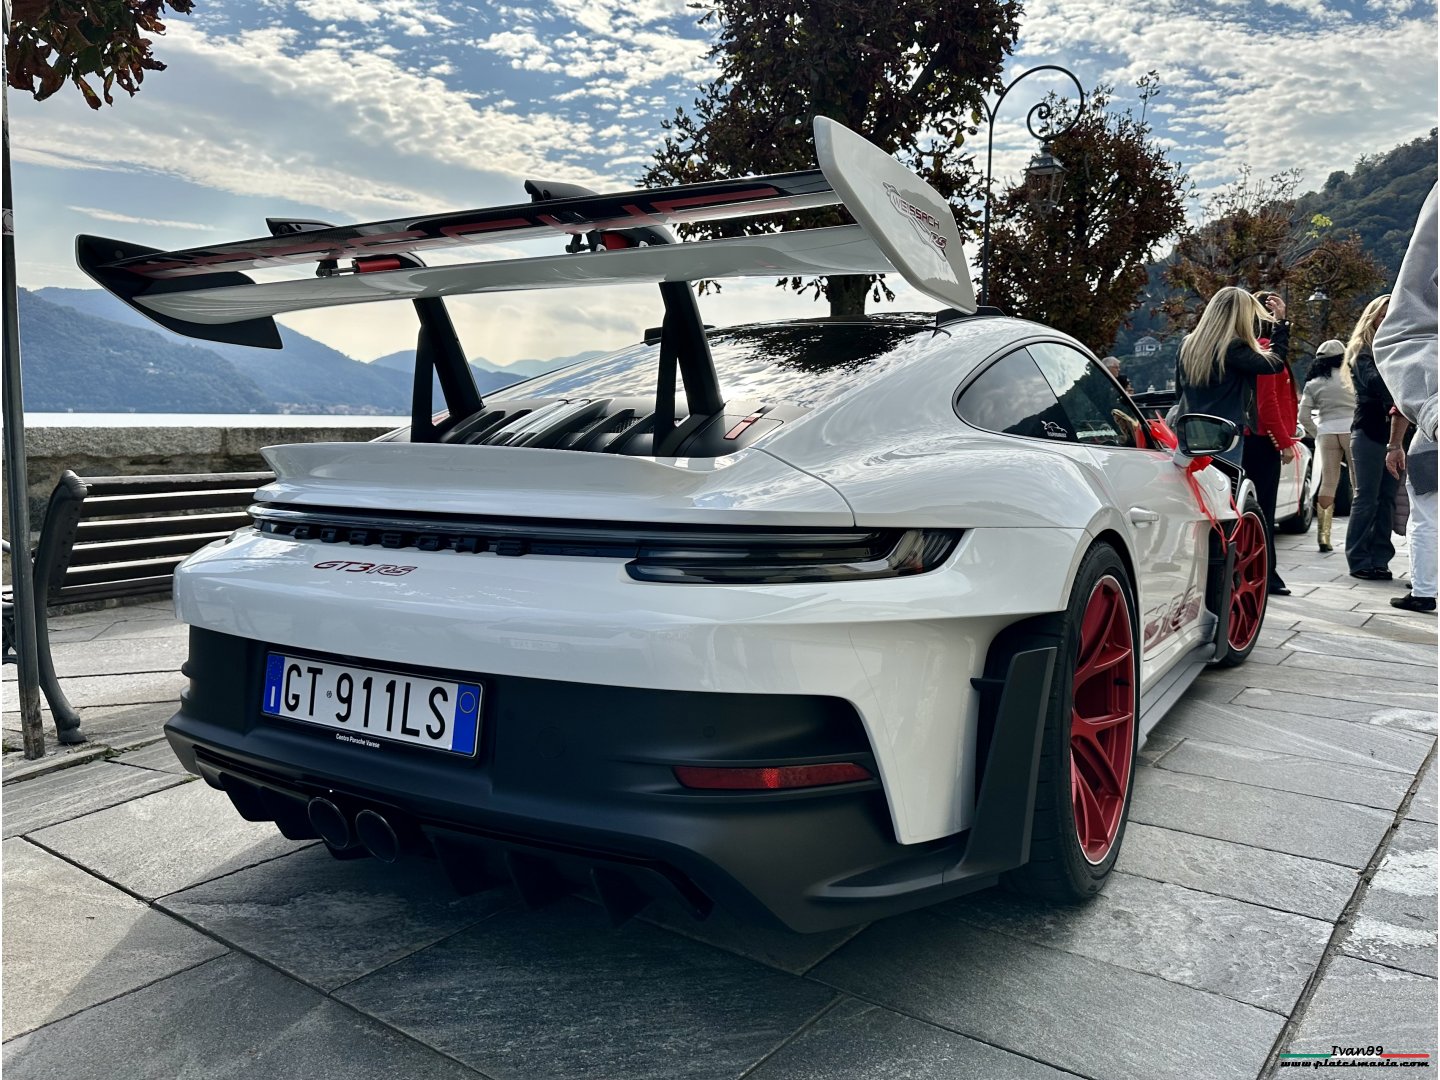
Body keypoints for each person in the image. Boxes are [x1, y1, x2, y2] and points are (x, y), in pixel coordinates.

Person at [1374, 182, 1437, 613]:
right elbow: (1410, 329)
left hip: (1425, 438)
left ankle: (1424, 589)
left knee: (1427, 519)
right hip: (1429, 434)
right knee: (1424, 517)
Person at [1175, 286, 1286, 470]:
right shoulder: (1233, 347)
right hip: (1223, 435)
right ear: (1240, 315)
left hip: (1190, 432)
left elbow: (1181, 392)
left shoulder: (1187, 344)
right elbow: (1274, 364)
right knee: (1224, 490)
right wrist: (1281, 324)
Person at [1343, 295, 1398, 580]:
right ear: (1372, 317)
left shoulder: (1396, 348)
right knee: (1366, 497)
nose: (1386, 320)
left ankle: (1380, 558)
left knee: (1387, 497)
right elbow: (1374, 382)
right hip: (1369, 431)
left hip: (1395, 431)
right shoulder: (1362, 350)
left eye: (1392, 314)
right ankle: (1359, 559)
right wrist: (1399, 397)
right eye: (1382, 315)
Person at [1246, 291, 1298, 594]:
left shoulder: (1260, 349)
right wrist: (1283, 442)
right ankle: (1266, 576)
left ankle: (1265, 575)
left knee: (1260, 509)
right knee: (1263, 510)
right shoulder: (1265, 350)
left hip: (1257, 440)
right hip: (1261, 442)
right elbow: (1267, 403)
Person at [1297, 339, 1355, 552]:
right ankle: (1356, 536)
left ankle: (1324, 536)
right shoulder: (1353, 379)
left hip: (1327, 433)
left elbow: (1303, 417)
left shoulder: (1313, 384)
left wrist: (1318, 433)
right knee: (1357, 484)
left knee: (1328, 482)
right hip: (1352, 431)